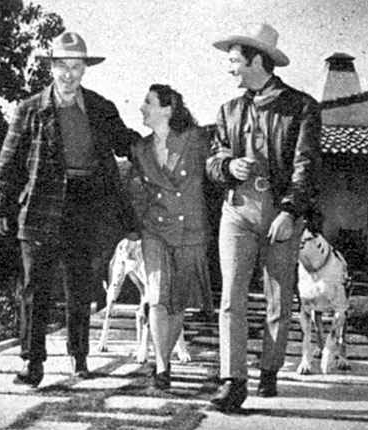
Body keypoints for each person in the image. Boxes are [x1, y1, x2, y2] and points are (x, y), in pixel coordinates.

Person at [0, 31, 141, 387]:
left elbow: (127, 144)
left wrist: (168, 139)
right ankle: (32, 363)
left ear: (85, 69)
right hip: (39, 207)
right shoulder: (30, 110)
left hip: (84, 203)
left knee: (80, 285)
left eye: (76, 67)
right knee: (35, 288)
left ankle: (79, 357)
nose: (69, 74)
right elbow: (7, 162)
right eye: (62, 67)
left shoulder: (102, 108)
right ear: (52, 68)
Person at [206, 23, 322, 412]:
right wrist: (228, 165)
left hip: (279, 212)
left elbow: (306, 166)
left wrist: (290, 211)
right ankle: (232, 380)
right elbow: (214, 160)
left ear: (258, 60)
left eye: (235, 62)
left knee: (277, 299)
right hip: (237, 211)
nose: (230, 70)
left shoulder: (302, 107)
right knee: (231, 298)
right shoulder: (229, 110)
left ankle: (269, 370)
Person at [129, 84, 214, 389]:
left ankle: (164, 360)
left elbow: (213, 175)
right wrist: (140, 221)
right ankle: (162, 365)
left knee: (177, 302)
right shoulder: (140, 149)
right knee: (156, 296)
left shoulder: (195, 140)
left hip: (190, 232)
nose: (142, 107)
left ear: (167, 109)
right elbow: (135, 189)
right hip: (155, 231)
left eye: (148, 102)